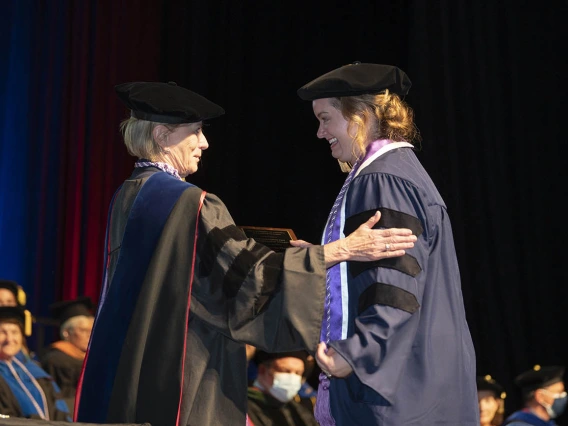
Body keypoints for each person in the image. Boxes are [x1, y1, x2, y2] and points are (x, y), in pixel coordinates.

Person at [74, 81, 418, 426]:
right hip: (186, 363)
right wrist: (338, 250)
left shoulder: (129, 194)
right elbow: (247, 277)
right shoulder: (190, 203)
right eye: (195, 132)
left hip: (135, 363)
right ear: (163, 137)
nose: (204, 143)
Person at [295, 62, 479, 425]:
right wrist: (324, 257)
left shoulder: (383, 179)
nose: (320, 132)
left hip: (397, 390)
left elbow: (396, 282)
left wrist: (357, 351)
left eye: (326, 118)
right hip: (415, 381)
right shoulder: (398, 170)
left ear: (360, 115)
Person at [0, 306, 71, 420]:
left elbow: (58, 407)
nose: (9, 339)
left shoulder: (34, 370)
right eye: (2, 332)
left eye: (15, 332)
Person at [41, 296, 94, 413]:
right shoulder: (56, 360)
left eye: (92, 331)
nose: (89, 335)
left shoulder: (89, 358)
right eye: (83, 330)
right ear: (66, 333)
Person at [247, 350, 318, 426]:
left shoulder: (300, 410)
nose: (292, 378)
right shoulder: (242, 407)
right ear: (262, 370)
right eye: (285, 370)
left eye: (298, 373)